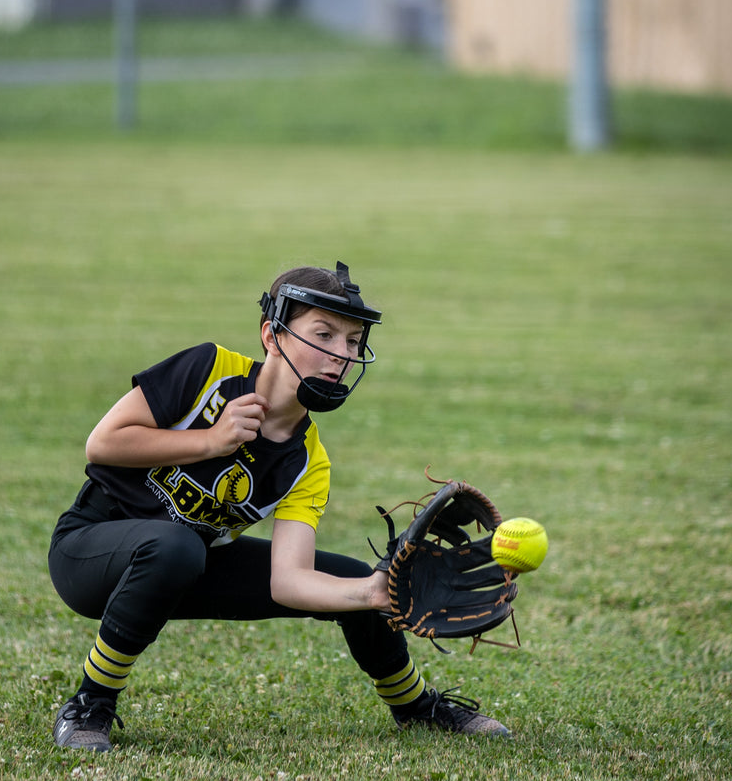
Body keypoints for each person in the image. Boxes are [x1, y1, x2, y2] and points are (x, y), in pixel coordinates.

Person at [47, 262, 509, 753]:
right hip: (90, 551)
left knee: (351, 577)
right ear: (272, 335)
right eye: (324, 334)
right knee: (176, 546)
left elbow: (289, 581)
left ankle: (415, 706)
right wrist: (211, 441)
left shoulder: (309, 460)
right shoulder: (208, 369)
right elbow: (102, 443)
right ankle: (90, 704)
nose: (341, 356)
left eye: (353, 342)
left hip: (190, 562)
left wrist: (373, 593)